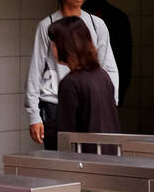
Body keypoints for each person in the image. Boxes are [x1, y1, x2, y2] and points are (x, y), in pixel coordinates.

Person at [25, 0, 118, 150]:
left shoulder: (96, 23)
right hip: (54, 101)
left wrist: (110, 100)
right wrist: (34, 114)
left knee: (87, 153)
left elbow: (109, 65)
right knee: (61, 154)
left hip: (89, 99)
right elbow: (36, 68)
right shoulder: (48, 25)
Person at [47, 15, 120, 145]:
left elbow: (66, 133)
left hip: (84, 159)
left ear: (66, 45)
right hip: (107, 156)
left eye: (54, 43)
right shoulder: (102, 76)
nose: (52, 48)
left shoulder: (71, 83)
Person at [84, 0, 133, 108]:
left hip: (106, 82)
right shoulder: (77, 16)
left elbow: (124, 60)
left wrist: (119, 93)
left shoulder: (117, 18)